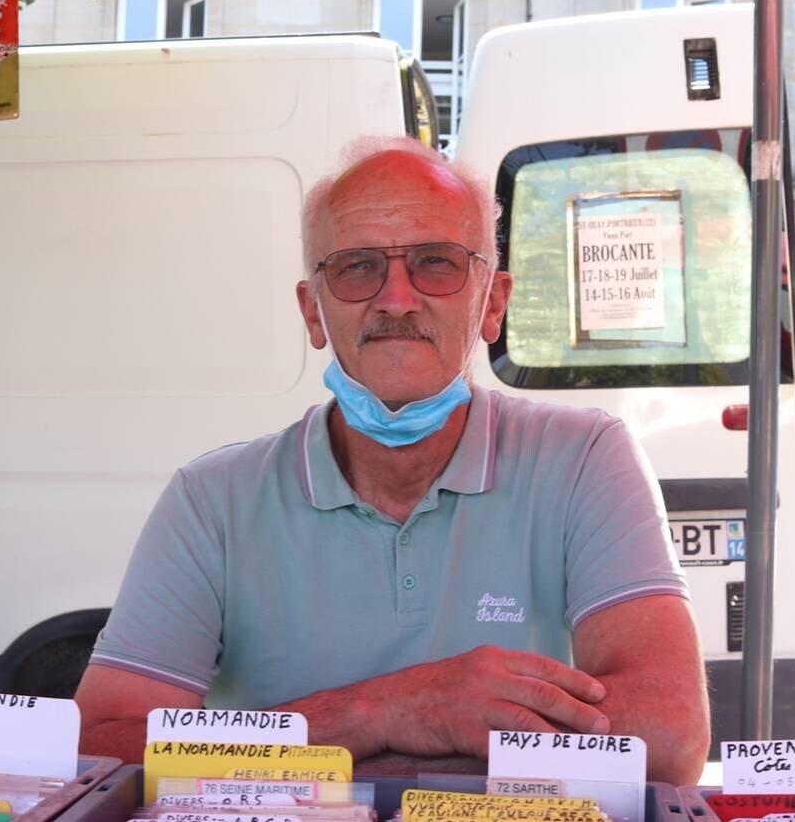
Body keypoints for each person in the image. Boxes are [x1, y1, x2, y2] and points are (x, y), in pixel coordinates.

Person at [74, 137, 710, 783]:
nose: (397, 299)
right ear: (312, 311)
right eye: (357, 267)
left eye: (436, 263)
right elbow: (99, 745)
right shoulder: (212, 503)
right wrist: (383, 711)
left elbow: (668, 732)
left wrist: (373, 747)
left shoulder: (584, 462)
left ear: (493, 302)